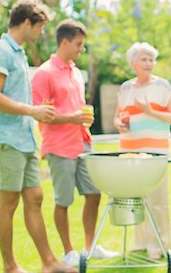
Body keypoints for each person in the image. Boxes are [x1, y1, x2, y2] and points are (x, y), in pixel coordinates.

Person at [0, 0, 76, 273]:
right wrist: (30, 110)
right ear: (26, 22)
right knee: (8, 202)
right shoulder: (0, 51)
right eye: (40, 27)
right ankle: (10, 266)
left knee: (35, 197)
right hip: (6, 138)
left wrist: (35, 112)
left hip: (24, 139)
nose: (41, 33)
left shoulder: (18, 54)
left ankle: (49, 263)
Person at [32, 19, 118, 266]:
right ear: (65, 41)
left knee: (93, 194)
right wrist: (72, 117)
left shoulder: (75, 73)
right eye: (79, 44)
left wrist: (81, 120)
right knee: (64, 200)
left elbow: (77, 109)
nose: (81, 49)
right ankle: (69, 251)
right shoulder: (45, 73)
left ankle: (91, 247)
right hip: (59, 147)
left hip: (83, 143)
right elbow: (41, 113)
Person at [114, 42, 171, 259]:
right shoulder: (125, 88)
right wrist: (120, 124)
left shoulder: (163, 87)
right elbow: (118, 116)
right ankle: (141, 242)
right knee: (136, 198)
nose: (149, 63)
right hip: (130, 151)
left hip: (156, 151)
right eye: (144, 59)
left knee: (157, 200)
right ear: (133, 63)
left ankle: (159, 245)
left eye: (151, 59)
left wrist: (150, 111)